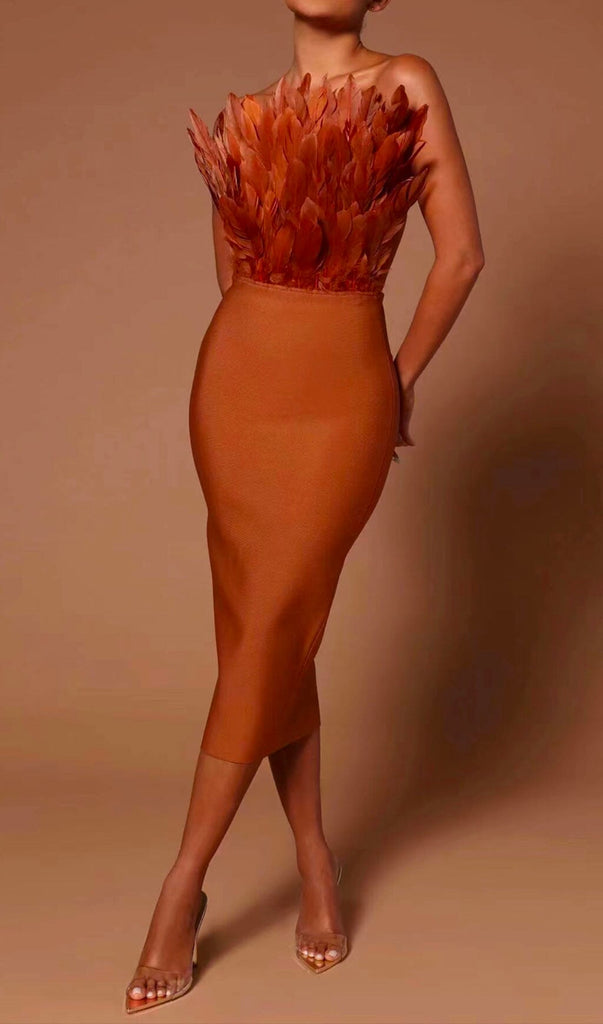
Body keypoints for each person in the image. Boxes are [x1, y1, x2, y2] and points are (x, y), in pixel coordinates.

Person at [124, 0, 484, 1012]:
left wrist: (397, 379)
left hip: (343, 400)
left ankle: (181, 885)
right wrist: (259, 356)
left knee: (276, 621)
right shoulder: (247, 114)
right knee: (271, 635)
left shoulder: (405, 80)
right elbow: (231, 277)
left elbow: (461, 256)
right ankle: (317, 859)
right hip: (235, 394)